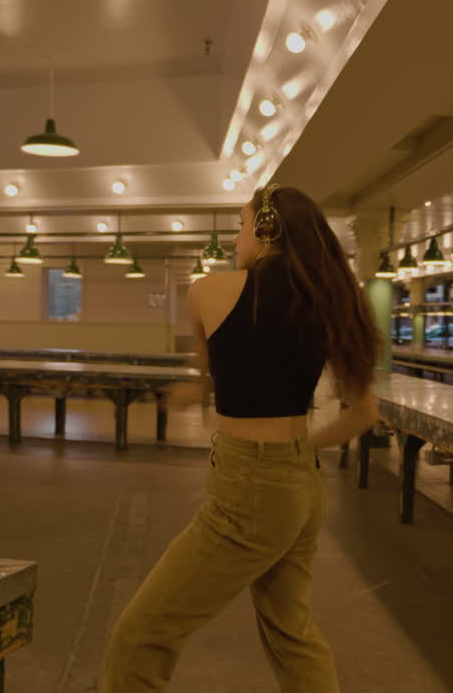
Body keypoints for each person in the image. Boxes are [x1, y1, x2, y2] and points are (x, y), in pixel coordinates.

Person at [101, 184, 382, 692]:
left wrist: (195, 390)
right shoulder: (332, 302)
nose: (235, 237)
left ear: (266, 228)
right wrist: (297, 452)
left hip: (247, 490)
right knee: (291, 634)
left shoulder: (208, 290)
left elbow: (206, 371)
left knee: (140, 634)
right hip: (303, 487)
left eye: (240, 223)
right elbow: (364, 414)